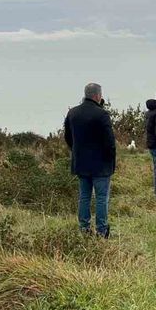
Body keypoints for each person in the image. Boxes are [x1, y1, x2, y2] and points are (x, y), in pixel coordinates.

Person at [64, 83, 116, 238]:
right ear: (98, 96)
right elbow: (110, 142)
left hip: (81, 162)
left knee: (84, 196)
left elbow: (68, 137)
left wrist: (76, 151)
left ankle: (84, 229)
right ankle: (101, 231)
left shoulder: (72, 113)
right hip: (101, 164)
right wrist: (110, 160)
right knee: (101, 198)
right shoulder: (102, 114)